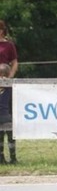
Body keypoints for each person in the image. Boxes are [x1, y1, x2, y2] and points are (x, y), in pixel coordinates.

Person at [0, 20, 18, 164]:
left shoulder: (8, 45)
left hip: (5, 80)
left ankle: (13, 156)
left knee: (8, 118)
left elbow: (14, 62)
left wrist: (9, 78)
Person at [0, 63, 16, 164]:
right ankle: (12, 158)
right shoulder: (10, 85)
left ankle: (1, 157)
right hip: (6, 115)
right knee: (11, 136)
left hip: (5, 115)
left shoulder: (10, 85)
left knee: (1, 136)